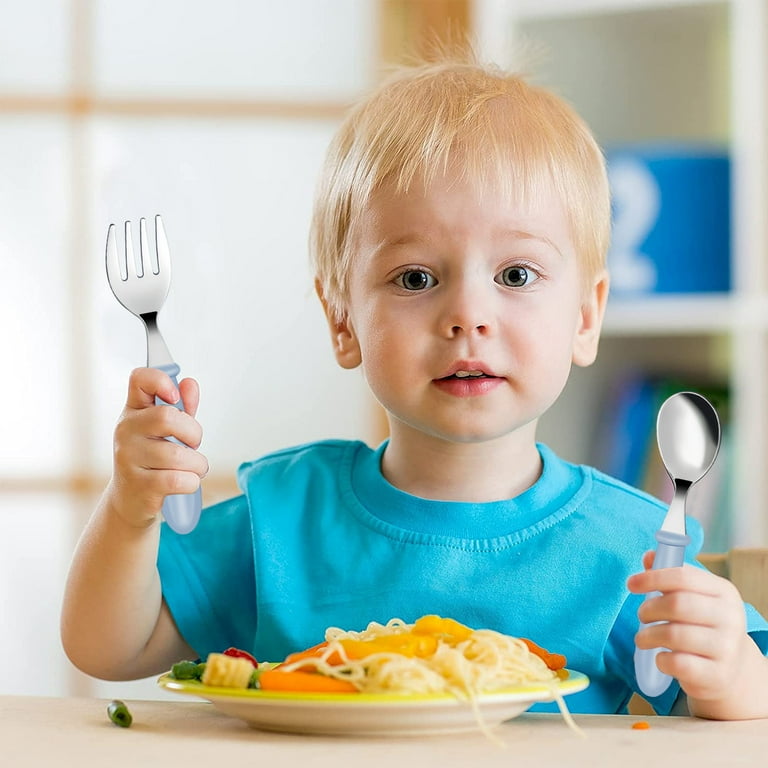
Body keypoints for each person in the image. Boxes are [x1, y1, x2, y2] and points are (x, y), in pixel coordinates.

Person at [61, 51, 768, 719]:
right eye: (416, 278)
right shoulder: (281, 517)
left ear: (586, 317)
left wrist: (731, 671)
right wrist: (130, 511)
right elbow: (108, 647)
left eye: (515, 276)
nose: (468, 315)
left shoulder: (632, 545)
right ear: (343, 322)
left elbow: (749, 702)